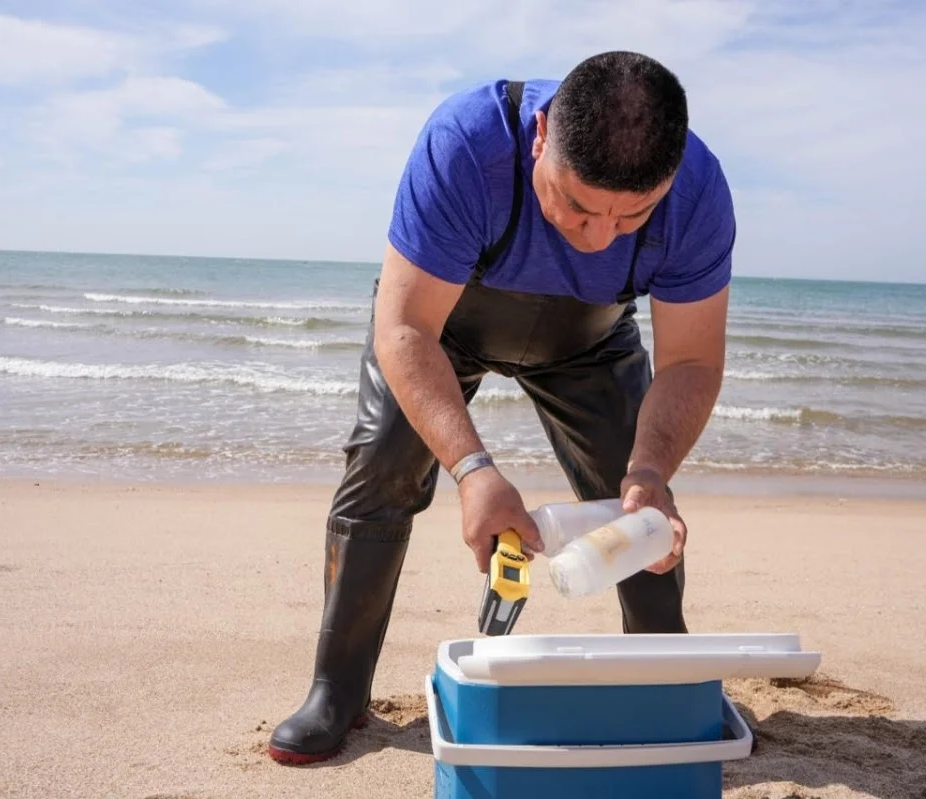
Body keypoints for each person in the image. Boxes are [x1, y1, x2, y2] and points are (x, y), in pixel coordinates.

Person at [268, 50, 735, 765]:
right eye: (577, 204)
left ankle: (662, 678)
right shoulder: (466, 145)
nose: (598, 237)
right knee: (381, 468)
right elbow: (405, 328)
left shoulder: (698, 192)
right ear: (540, 135)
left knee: (642, 508)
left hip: (591, 340)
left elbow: (693, 361)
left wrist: (650, 467)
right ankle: (338, 689)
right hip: (441, 325)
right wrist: (474, 470)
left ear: (668, 181)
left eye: (633, 214)